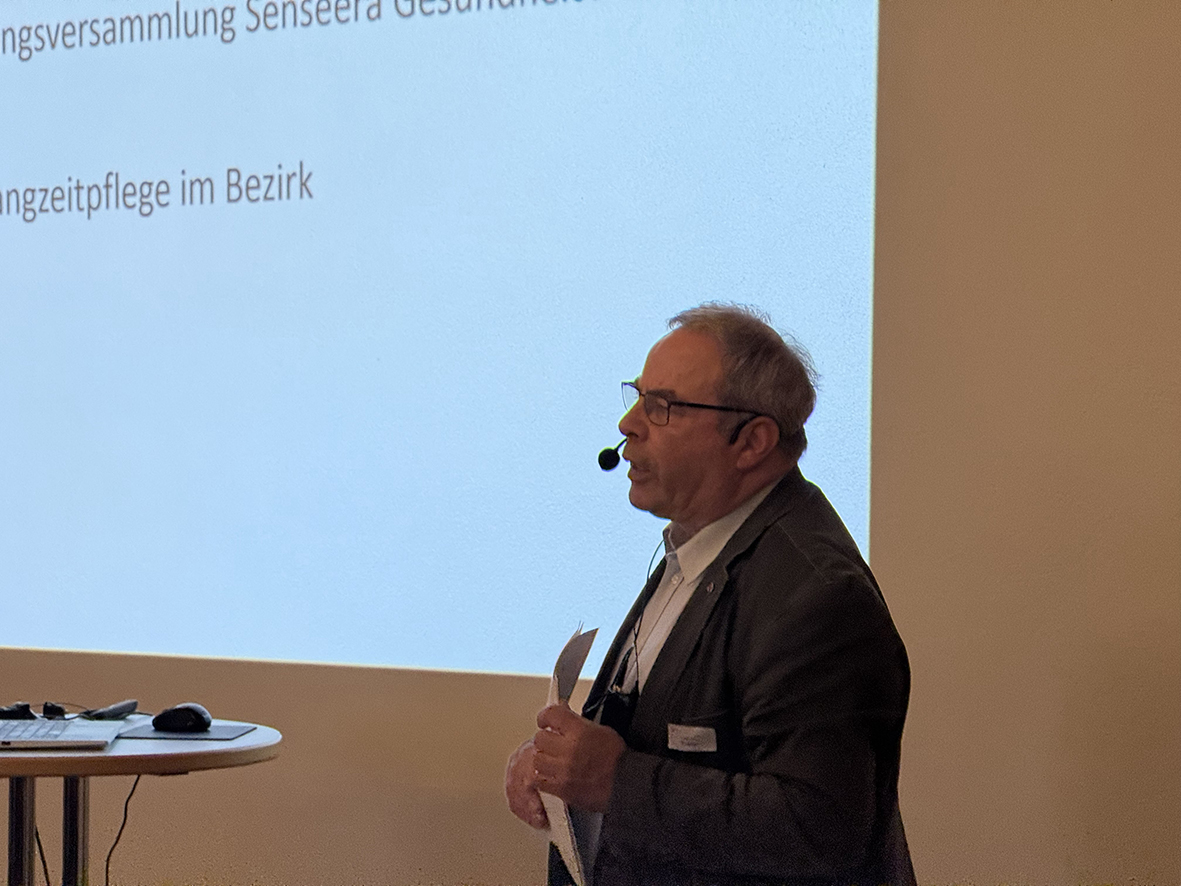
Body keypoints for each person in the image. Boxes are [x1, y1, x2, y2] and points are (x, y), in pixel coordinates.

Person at [505, 304, 915, 886]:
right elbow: (655, 737)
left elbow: (819, 826)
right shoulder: (700, 544)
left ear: (752, 442)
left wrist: (617, 783)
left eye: (662, 406)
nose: (628, 423)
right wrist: (554, 766)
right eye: (637, 396)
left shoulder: (817, 597)